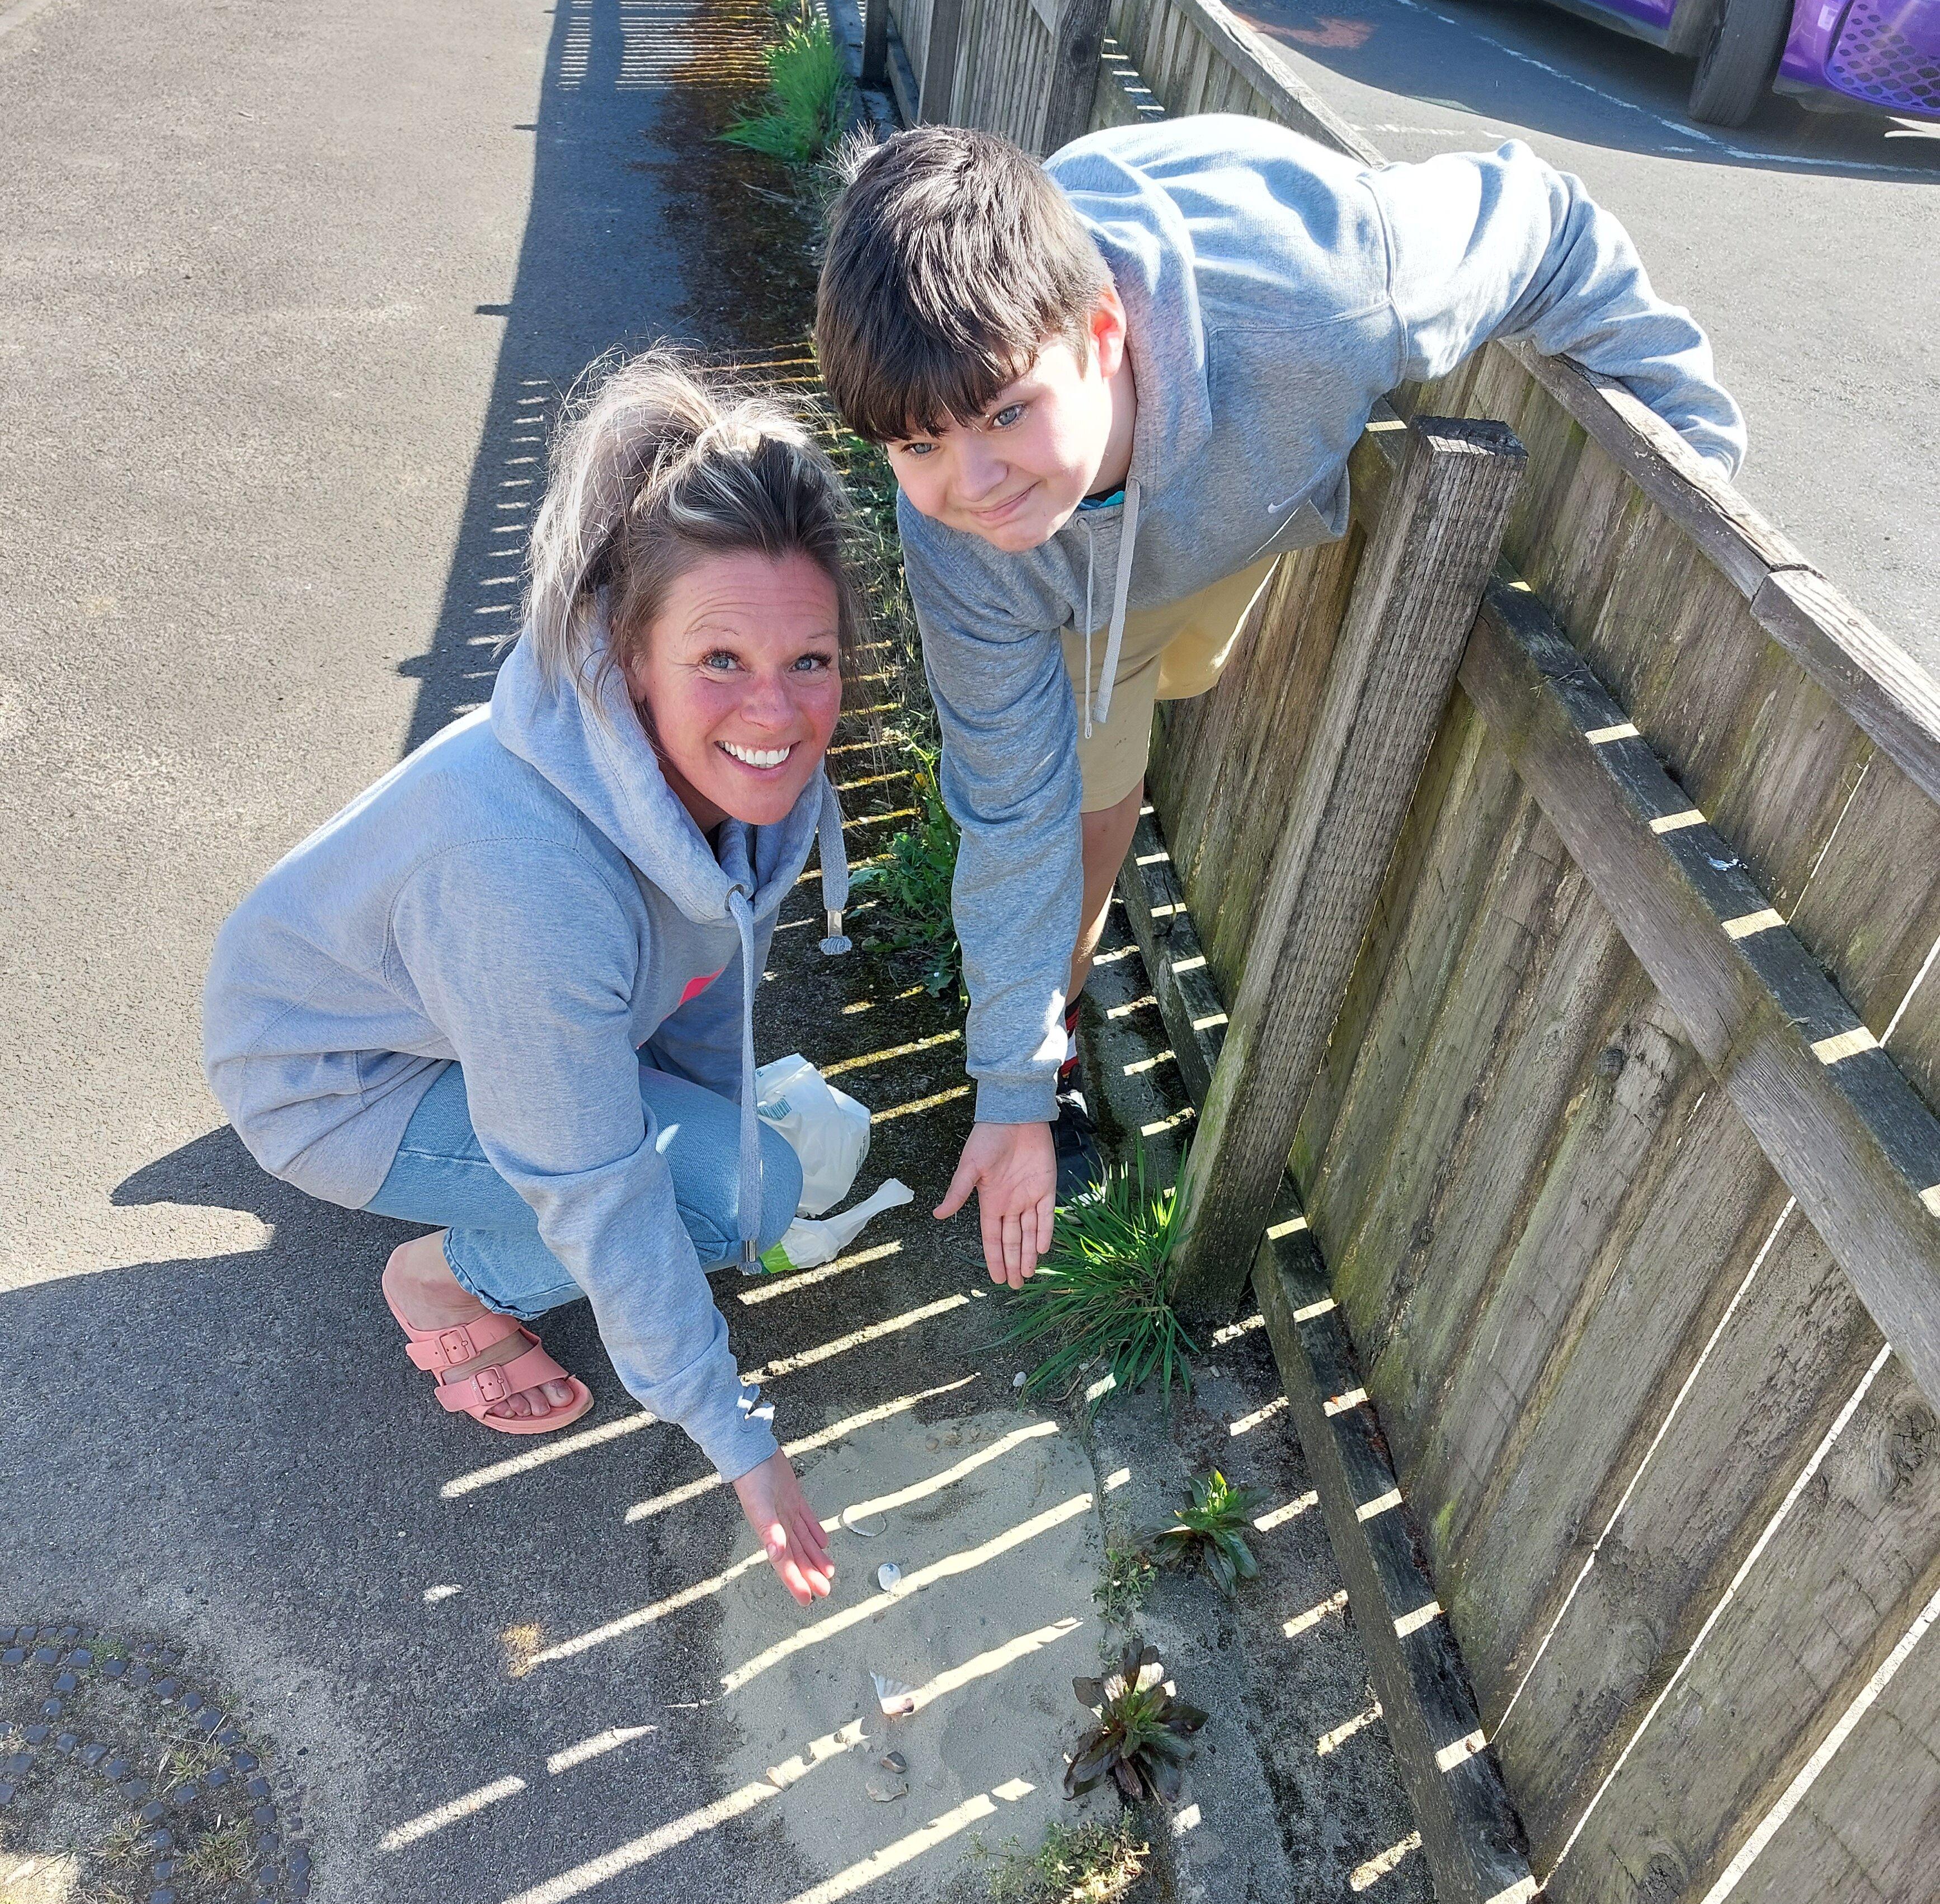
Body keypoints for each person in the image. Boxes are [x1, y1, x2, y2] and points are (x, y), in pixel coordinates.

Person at [815, 115, 1746, 1284]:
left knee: (1159, 702)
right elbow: (1010, 813)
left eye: (1006, 410)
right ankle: (1050, 1069)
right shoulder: (964, 529)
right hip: (1065, 582)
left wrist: (1697, 466)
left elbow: (1542, 219)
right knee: (1084, 814)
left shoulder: (1333, 291)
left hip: (1224, 474)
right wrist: (1004, 1084)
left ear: (1102, 331)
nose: (973, 478)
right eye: (918, 444)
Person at [203, 354, 853, 1606]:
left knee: (718, 1157)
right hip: (332, 1079)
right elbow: (602, 1189)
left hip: (432, 997)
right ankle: (445, 1278)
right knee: (734, 1198)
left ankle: (526, 1166)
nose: (775, 711)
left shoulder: (741, 768)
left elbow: (718, 973)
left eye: (810, 660)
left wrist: (705, 1101)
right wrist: (738, 1439)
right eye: (720, 657)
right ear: (631, 648)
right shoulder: (528, 886)